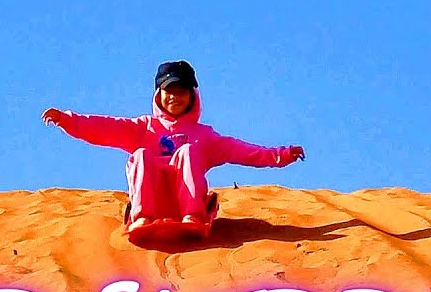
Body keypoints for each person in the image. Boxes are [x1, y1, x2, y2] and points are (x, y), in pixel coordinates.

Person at [42, 61, 305, 232]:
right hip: (151, 203)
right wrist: (67, 120)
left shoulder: (204, 136)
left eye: (181, 91)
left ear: (192, 95)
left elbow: (243, 151)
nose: (174, 97)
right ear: (159, 94)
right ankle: (142, 217)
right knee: (142, 154)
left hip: (188, 208)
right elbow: (104, 128)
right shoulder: (143, 127)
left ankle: (192, 216)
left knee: (188, 152)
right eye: (169, 90)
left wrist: (281, 155)